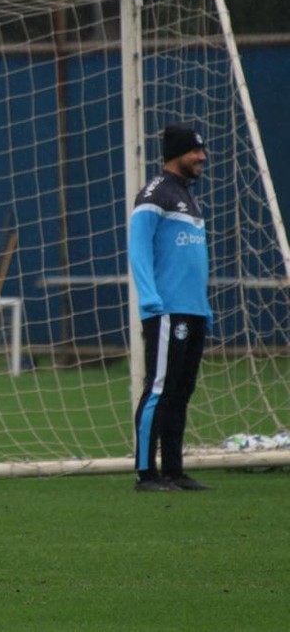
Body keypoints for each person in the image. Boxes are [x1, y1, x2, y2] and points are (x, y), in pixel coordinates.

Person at [128, 124, 212, 492]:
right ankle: (147, 473)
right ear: (178, 152)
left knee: (182, 390)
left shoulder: (187, 196)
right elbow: (138, 249)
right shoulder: (155, 193)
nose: (202, 157)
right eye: (196, 151)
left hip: (194, 310)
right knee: (159, 388)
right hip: (166, 310)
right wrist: (150, 298)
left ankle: (175, 470)